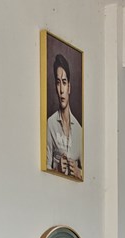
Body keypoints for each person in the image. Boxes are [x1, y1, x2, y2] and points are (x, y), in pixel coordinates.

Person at [46, 53, 83, 181]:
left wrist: (78, 172)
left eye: (64, 82)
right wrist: (57, 170)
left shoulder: (79, 130)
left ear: (69, 87)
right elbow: (44, 168)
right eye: (58, 83)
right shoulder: (50, 124)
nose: (61, 89)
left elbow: (87, 172)